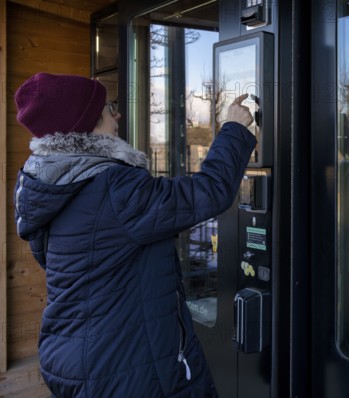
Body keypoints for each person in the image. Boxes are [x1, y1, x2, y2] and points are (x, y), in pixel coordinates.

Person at [13, 72, 257, 397]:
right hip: (124, 366)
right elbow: (209, 192)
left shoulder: (48, 185)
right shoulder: (114, 187)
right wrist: (235, 130)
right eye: (108, 107)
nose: (117, 114)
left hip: (74, 354)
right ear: (87, 124)